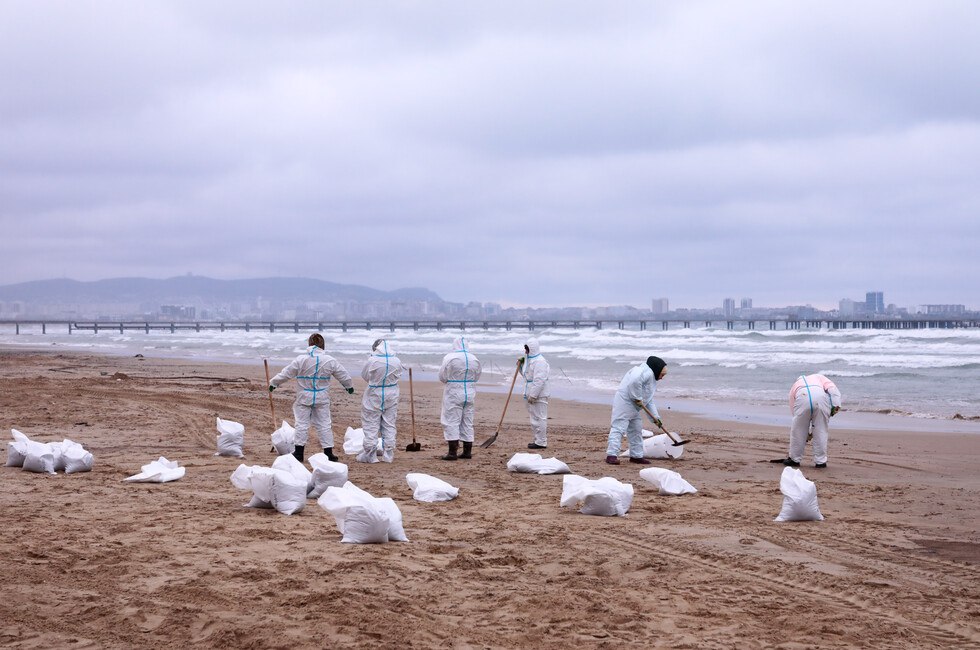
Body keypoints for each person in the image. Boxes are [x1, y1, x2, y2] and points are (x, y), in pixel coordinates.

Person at [269, 333, 354, 463]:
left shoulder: (301, 359)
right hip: (321, 396)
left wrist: (274, 383)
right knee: (324, 424)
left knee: (301, 424)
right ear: (323, 345)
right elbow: (342, 374)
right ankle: (328, 453)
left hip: (304, 396)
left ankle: (299, 453)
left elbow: (286, 373)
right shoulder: (329, 360)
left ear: (309, 344)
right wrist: (348, 386)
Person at [605, 356, 668, 465]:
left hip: (635, 406)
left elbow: (649, 400)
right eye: (662, 375)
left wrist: (656, 419)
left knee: (636, 430)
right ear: (657, 370)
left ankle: (636, 456)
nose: (662, 377)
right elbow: (634, 382)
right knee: (618, 428)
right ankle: (611, 455)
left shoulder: (651, 378)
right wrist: (637, 397)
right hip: (624, 403)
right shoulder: (642, 372)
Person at [356, 338, 403, 464]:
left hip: (374, 393)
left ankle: (370, 454)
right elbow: (399, 375)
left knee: (370, 422)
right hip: (392, 393)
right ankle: (388, 453)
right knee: (389, 423)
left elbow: (365, 375)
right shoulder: (397, 361)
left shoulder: (372, 360)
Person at [780, 374, 841, 468]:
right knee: (821, 430)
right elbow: (832, 389)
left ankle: (794, 459)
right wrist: (836, 405)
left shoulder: (795, 386)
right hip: (821, 398)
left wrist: (806, 431)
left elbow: (794, 410)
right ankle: (820, 461)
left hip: (802, 396)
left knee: (798, 430)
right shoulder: (819, 377)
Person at [438, 335, 482, 460]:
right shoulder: (474, 359)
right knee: (467, 421)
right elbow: (477, 376)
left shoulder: (450, 358)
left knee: (451, 420)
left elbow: (442, 376)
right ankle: (467, 451)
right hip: (470, 391)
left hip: (454, 391)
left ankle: (452, 452)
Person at [519, 337, 551, 449]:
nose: (525, 352)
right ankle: (538, 440)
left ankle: (541, 442)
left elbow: (539, 380)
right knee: (534, 418)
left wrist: (533, 395)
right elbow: (526, 375)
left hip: (539, 394)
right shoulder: (530, 360)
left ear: (532, 349)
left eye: (527, 349)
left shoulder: (540, 361)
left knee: (540, 418)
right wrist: (520, 366)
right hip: (530, 392)